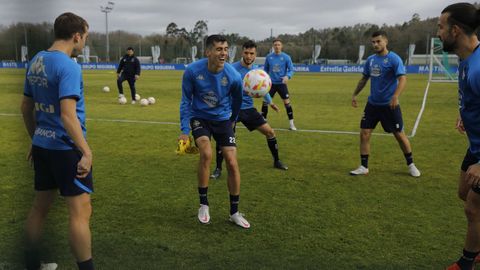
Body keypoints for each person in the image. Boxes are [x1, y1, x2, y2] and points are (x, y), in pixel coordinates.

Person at [21, 12, 94, 270]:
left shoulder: (36, 60)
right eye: (85, 36)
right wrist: (85, 151)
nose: (84, 41)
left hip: (42, 146)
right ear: (76, 36)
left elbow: (25, 107)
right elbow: (67, 115)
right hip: (66, 149)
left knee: (39, 208)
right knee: (80, 212)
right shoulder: (69, 66)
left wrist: (36, 138)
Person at [179, 34, 250, 229]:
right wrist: (185, 131)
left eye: (226, 49)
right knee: (206, 153)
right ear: (208, 51)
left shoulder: (233, 76)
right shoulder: (193, 71)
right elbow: (186, 101)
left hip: (223, 119)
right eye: (219, 49)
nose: (224, 53)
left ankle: (234, 212)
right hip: (199, 117)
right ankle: (203, 204)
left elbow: (237, 102)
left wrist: (233, 121)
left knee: (232, 163)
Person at [438, 3, 480, 270]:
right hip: (474, 146)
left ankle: (467, 261)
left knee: (473, 208)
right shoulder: (467, 61)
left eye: (441, 27)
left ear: (455, 30)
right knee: (464, 192)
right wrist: (464, 113)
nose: (439, 33)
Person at [210, 40, 288, 180]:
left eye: (252, 53)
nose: (249, 56)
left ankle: (277, 161)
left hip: (248, 109)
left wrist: (270, 103)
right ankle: (218, 169)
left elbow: (263, 89)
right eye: (246, 53)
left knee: (270, 132)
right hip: (232, 109)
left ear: (255, 54)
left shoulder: (257, 72)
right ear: (242, 52)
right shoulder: (231, 69)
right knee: (224, 137)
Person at [350, 30, 421, 177]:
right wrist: (355, 94)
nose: (375, 44)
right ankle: (364, 166)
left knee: (399, 135)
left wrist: (395, 96)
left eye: (378, 41)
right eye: (373, 42)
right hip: (372, 105)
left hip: (390, 105)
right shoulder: (370, 60)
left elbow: (402, 79)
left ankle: (411, 164)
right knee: (364, 133)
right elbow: (364, 79)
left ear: (385, 42)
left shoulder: (394, 59)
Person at [261, 39, 297, 130]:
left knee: (287, 103)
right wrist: (264, 79)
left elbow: (291, 70)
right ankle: (263, 122)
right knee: (265, 102)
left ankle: (291, 124)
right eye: (275, 45)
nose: (277, 46)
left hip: (281, 84)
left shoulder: (286, 57)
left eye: (278, 45)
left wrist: (287, 76)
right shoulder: (269, 57)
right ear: (273, 46)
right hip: (271, 84)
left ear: (281, 46)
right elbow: (265, 70)